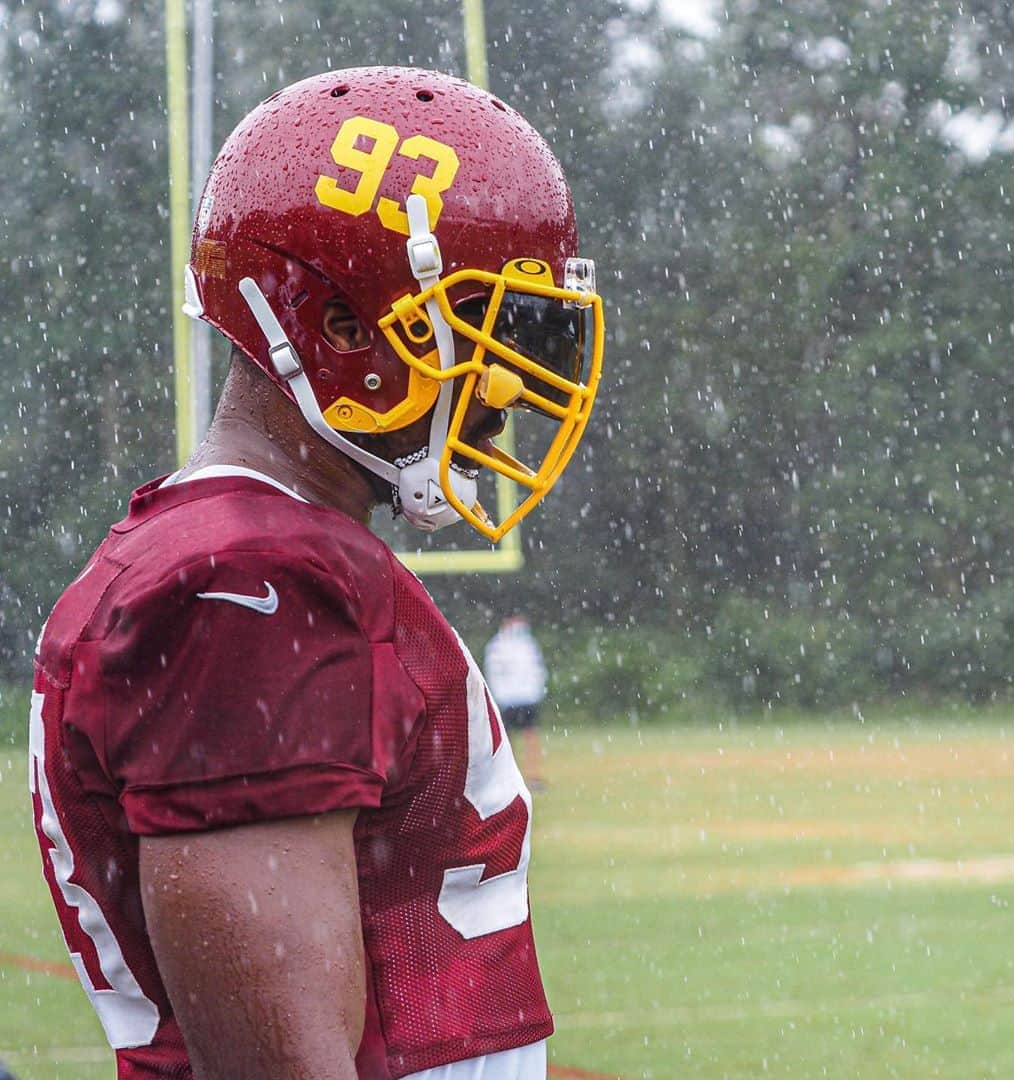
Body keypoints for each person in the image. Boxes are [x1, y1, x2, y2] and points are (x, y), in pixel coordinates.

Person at [28, 67, 603, 1079]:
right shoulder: (245, 581)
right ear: (341, 329)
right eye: (482, 330)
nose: (506, 390)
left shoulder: (250, 553)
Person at [483, 616, 548, 789]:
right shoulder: (499, 646)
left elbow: (536, 670)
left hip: (525, 697)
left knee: (529, 736)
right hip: (510, 698)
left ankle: (530, 776)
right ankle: (511, 777)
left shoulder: (525, 644)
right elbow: (494, 673)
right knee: (509, 739)